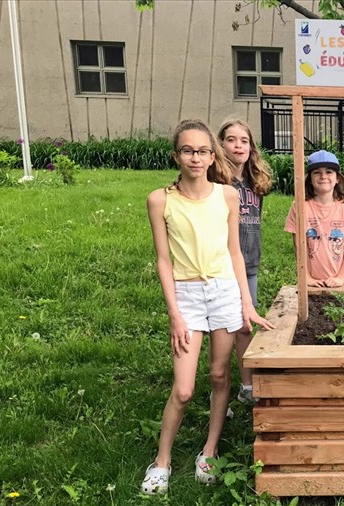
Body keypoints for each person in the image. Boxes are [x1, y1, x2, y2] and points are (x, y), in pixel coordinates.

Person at [142, 119, 274, 495]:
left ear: (211, 155)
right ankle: (162, 460)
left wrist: (246, 302)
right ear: (176, 155)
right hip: (186, 294)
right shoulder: (160, 199)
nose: (195, 158)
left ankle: (210, 450)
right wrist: (174, 314)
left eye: (202, 151)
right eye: (188, 150)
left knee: (219, 376)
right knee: (183, 389)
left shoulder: (227, 195)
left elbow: (235, 251)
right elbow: (163, 260)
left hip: (224, 292)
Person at [217, 119, 272, 406]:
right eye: (231, 139)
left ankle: (246, 385)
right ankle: (221, 387)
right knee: (225, 327)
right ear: (220, 144)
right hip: (221, 265)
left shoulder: (255, 183)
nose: (238, 145)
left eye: (244, 140)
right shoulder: (216, 183)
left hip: (250, 260)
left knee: (245, 325)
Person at [284, 150, 344, 287]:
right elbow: (298, 245)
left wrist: (340, 277)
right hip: (312, 283)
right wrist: (306, 277)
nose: (323, 176)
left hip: (342, 283)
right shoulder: (300, 206)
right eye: (317, 172)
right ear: (310, 178)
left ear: (337, 178)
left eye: (329, 172)